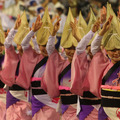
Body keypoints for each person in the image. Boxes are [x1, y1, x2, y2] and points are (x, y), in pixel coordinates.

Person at [16, 8, 60, 120]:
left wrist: (53, 34)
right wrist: (33, 31)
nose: (45, 48)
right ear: (38, 45)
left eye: (47, 45)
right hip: (36, 99)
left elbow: (50, 47)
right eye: (42, 45)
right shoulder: (34, 56)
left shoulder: (55, 57)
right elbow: (24, 44)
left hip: (52, 98)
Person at [42, 8, 80, 120]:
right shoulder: (61, 63)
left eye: (74, 48)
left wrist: (78, 37)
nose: (71, 51)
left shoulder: (84, 63)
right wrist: (53, 33)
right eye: (68, 48)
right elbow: (50, 49)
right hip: (65, 107)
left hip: (81, 108)